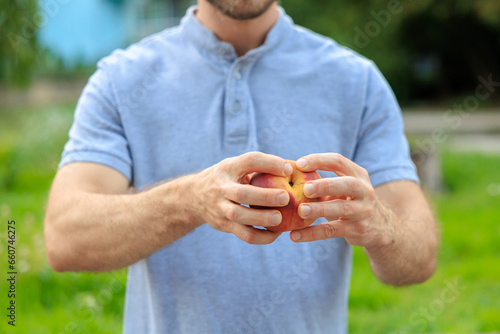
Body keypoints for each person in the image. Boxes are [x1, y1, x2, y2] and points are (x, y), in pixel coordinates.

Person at [44, 0, 438, 333]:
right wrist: (191, 200)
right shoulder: (120, 81)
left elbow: (420, 259)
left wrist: (381, 225)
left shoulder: (358, 82)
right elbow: (65, 239)